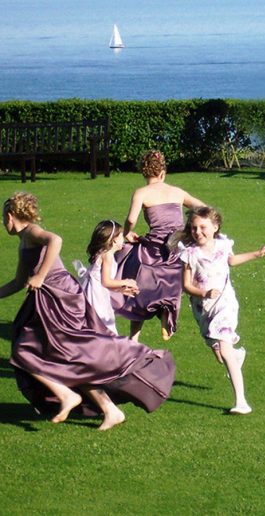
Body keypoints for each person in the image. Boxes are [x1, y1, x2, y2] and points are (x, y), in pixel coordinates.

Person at [1, 192, 176, 430]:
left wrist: (41, 276)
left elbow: (56, 240)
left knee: (25, 350)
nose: (3, 223)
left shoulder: (31, 232)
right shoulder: (24, 241)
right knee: (71, 357)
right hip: (47, 299)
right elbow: (20, 280)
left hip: (60, 296)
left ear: (11, 216)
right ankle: (109, 409)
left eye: (3, 218)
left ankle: (67, 395)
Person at [179, 206, 265, 415]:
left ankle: (241, 401)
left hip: (225, 304)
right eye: (194, 228)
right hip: (202, 308)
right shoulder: (189, 254)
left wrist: (257, 254)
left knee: (223, 343)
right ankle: (236, 356)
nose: (198, 232)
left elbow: (232, 260)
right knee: (221, 353)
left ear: (215, 227)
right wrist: (203, 293)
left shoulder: (223, 245)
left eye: (203, 227)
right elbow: (186, 285)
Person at [115, 149, 205, 341]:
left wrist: (125, 233)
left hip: (154, 249)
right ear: (163, 173)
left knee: (137, 282)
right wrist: (192, 229)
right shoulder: (177, 192)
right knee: (172, 283)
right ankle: (166, 316)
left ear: (144, 173)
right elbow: (203, 208)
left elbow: (131, 219)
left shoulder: (141, 192)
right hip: (176, 248)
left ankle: (134, 336)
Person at [73, 220, 139, 335]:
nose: (123, 239)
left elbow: (102, 282)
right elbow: (106, 282)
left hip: (97, 294)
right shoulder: (107, 256)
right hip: (97, 299)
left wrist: (121, 289)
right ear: (114, 240)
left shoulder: (104, 253)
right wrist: (127, 281)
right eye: (121, 236)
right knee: (103, 330)